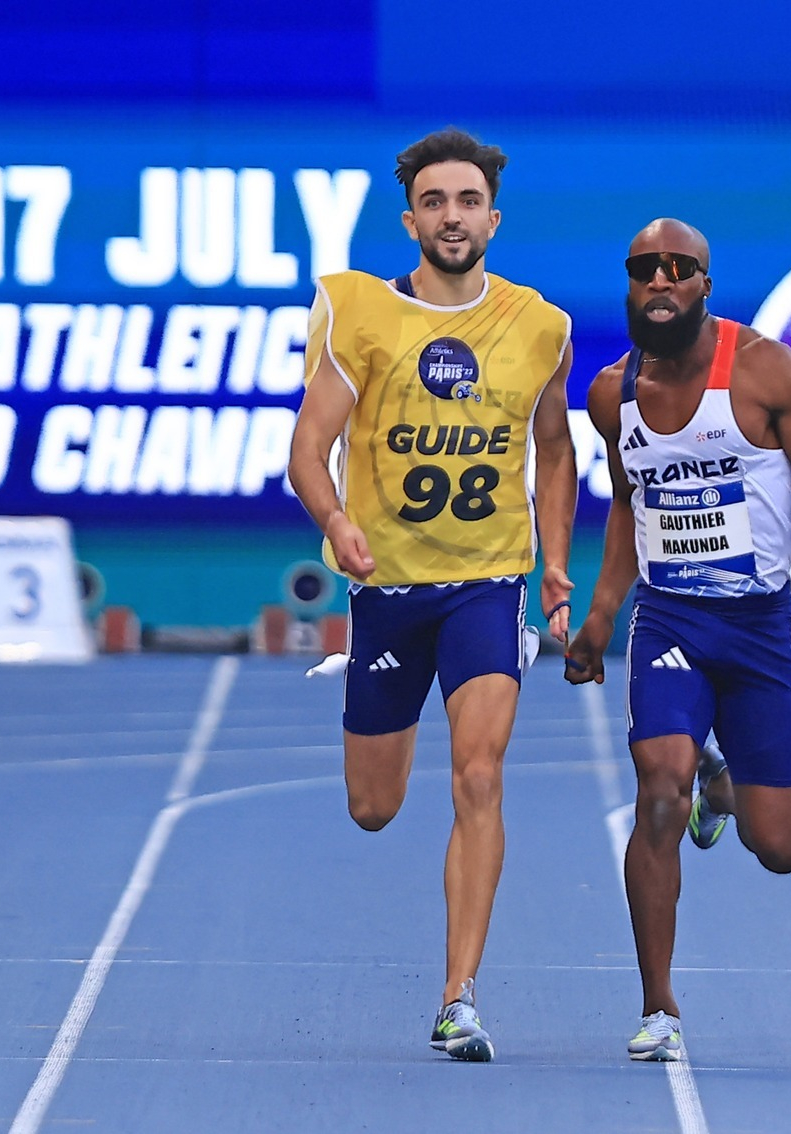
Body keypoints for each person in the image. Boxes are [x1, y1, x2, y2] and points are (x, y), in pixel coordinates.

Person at [288, 127, 576, 1062]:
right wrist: (337, 521)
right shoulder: (361, 313)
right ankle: (381, 699)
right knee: (373, 808)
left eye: (468, 202)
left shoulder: (539, 325)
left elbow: (556, 450)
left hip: (488, 585)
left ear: (494, 218)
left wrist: (555, 566)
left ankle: (459, 997)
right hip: (389, 591)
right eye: (434, 202)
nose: (452, 217)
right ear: (410, 219)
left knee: (480, 775)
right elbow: (308, 449)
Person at [564, 218, 791, 1062]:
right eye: (644, 269)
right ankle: (659, 1006)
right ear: (630, 285)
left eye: (678, 268)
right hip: (671, 622)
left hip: (767, 625)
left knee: (778, 847)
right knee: (659, 788)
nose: (660, 281)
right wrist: (600, 616)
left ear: (704, 284)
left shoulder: (764, 371)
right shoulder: (610, 395)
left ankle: (721, 787)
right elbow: (629, 504)